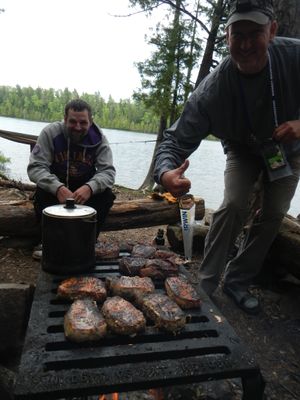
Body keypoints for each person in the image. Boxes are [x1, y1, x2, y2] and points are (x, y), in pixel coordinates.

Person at [154, 0, 300, 314]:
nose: (246, 44)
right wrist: (166, 174)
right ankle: (204, 286)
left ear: (272, 31)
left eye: (255, 33)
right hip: (243, 149)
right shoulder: (212, 91)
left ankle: (237, 280)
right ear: (226, 37)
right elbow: (174, 142)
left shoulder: (294, 58)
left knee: (273, 213)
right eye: (238, 35)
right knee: (234, 204)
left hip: (289, 150)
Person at [28, 99, 116, 258]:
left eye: (83, 122)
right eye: (73, 121)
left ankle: (88, 242)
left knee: (106, 195)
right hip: (56, 187)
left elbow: (108, 172)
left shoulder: (99, 139)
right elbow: (36, 167)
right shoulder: (50, 133)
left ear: (91, 121)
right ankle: (47, 242)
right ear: (64, 119)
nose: (78, 127)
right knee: (42, 192)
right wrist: (57, 188)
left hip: (85, 189)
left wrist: (90, 188)